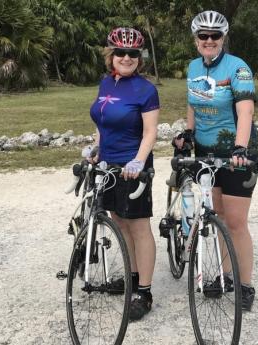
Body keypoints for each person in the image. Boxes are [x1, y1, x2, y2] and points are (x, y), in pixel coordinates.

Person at [174, 11, 258, 311]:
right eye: (203, 36)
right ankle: (225, 277)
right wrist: (188, 132)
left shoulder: (238, 68)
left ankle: (245, 284)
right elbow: (193, 103)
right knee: (219, 217)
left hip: (237, 151)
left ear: (223, 38)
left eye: (215, 36)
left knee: (236, 222)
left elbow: (246, 111)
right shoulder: (194, 66)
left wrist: (240, 148)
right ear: (196, 40)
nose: (209, 41)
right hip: (205, 152)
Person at [89, 27, 159, 321]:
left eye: (133, 53)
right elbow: (102, 124)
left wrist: (139, 162)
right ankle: (131, 277)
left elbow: (150, 132)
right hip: (108, 166)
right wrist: (95, 147)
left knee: (139, 227)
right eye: (121, 52)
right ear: (111, 55)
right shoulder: (107, 83)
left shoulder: (146, 89)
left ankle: (144, 291)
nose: (127, 58)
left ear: (139, 58)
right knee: (119, 221)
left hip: (132, 168)